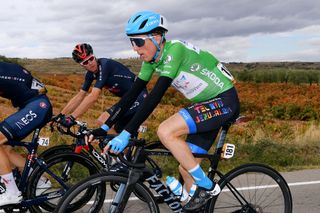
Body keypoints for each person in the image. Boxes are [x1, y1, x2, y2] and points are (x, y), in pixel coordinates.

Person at [99, 11, 240, 210]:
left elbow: (155, 97)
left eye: (138, 42)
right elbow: (132, 94)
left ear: (157, 38)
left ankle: (208, 187)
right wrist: (105, 125)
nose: (134, 48)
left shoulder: (175, 50)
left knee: (166, 131)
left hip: (223, 101)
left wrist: (126, 133)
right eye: (131, 42)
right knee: (186, 168)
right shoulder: (152, 61)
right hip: (206, 105)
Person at [57, 43, 147, 137]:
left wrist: (72, 117)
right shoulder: (90, 75)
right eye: (85, 62)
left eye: (91, 59)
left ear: (94, 56)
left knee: (103, 120)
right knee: (120, 132)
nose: (90, 63)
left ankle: (120, 146)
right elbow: (80, 95)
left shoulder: (104, 65)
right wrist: (61, 114)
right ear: (81, 65)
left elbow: (93, 96)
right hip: (128, 99)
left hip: (139, 96)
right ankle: (124, 149)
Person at [0, 61, 53, 206]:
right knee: (5, 148)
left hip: (38, 105)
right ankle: (39, 181)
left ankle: (11, 193)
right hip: (31, 104)